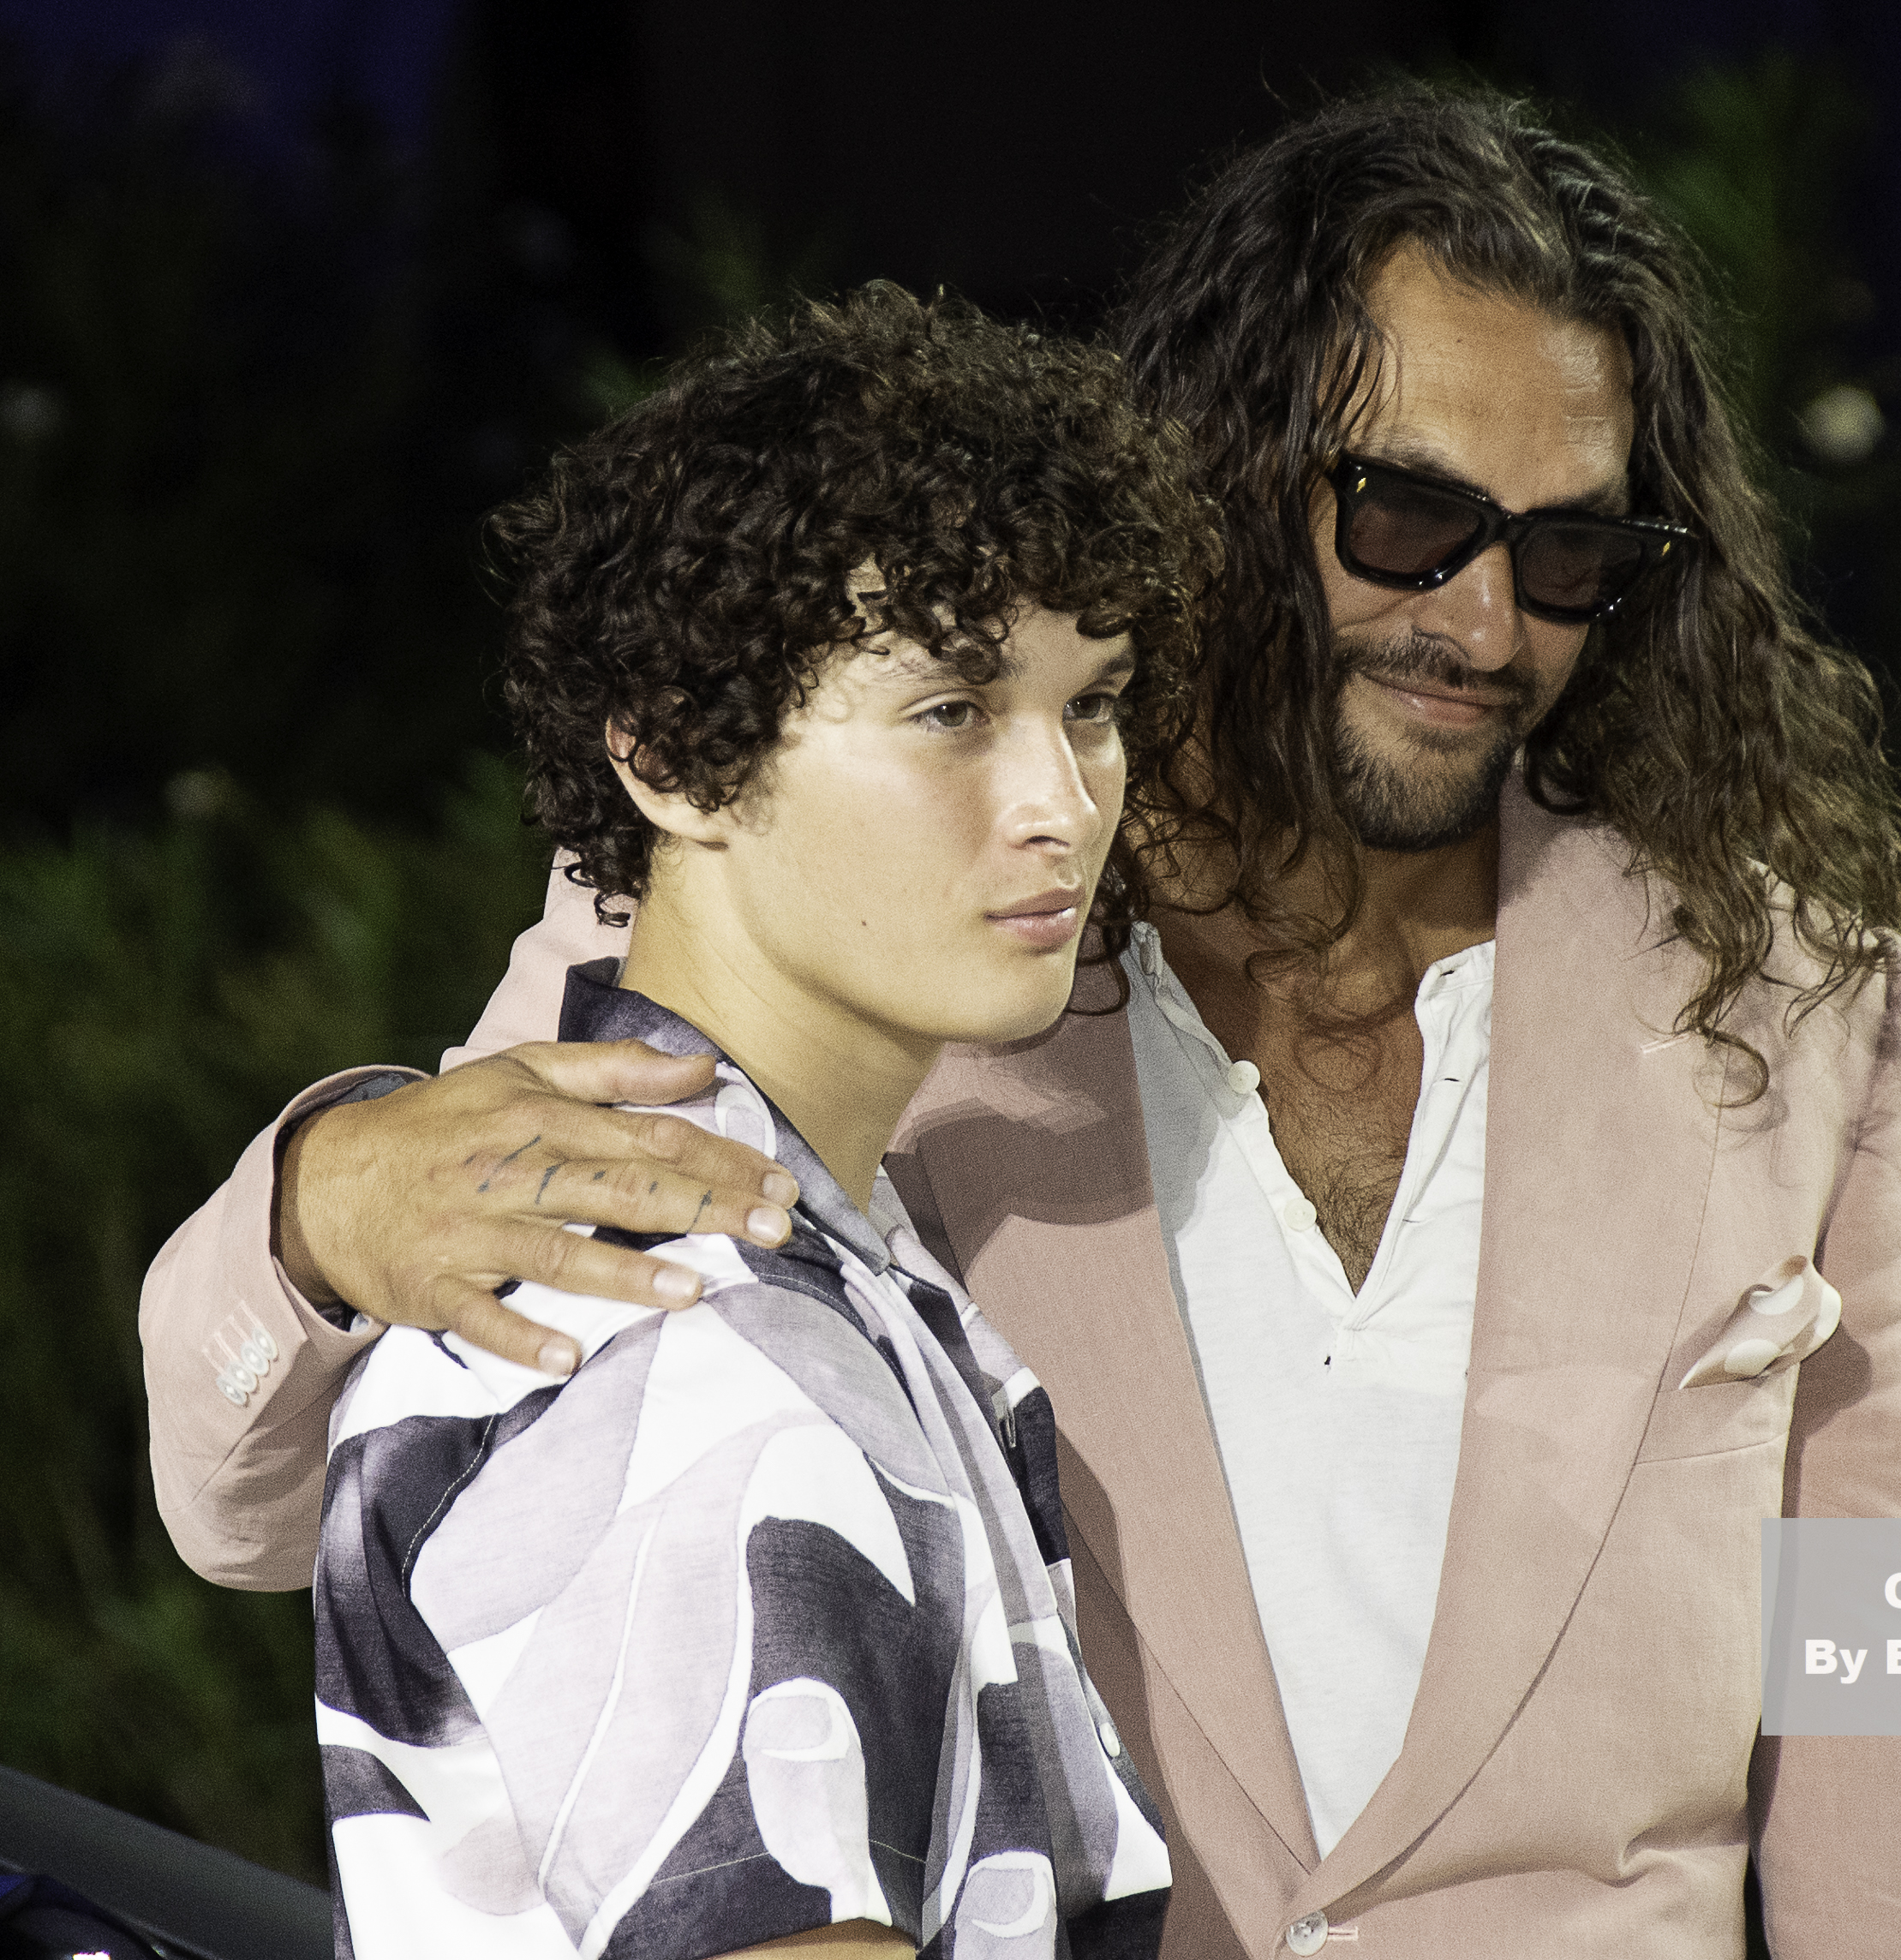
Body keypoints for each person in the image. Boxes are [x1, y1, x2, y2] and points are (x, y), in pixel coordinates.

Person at [143, 87, 1901, 1957]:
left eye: (1571, 555)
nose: (1488, 626)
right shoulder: (854, 911)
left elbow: (1896, 1683)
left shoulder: (1788, 1006)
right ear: (1228, 469)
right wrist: (319, 1208)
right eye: (1407, 518)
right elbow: (294, 1496)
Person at [307, 289, 1211, 1958]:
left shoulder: (792, 1274)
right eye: (950, 709)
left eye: (1094, 703)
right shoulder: (671, 1347)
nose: (1063, 803)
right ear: (670, 755)